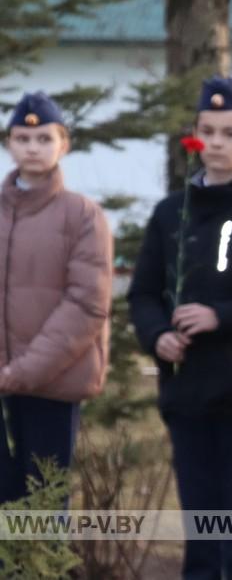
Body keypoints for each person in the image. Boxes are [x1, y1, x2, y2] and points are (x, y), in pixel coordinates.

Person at [128, 77, 232, 580]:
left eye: (229, 132)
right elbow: (142, 294)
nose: (217, 143)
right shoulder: (169, 214)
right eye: (208, 132)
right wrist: (158, 335)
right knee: (200, 531)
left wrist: (220, 317)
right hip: (187, 394)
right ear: (195, 136)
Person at [0, 91, 112, 503]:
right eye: (23, 139)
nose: (33, 147)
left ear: (63, 145)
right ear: (9, 143)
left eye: (45, 139)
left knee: (43, 504)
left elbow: (87, 304)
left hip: (53, 382)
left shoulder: (81, 215)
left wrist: (22, 370)